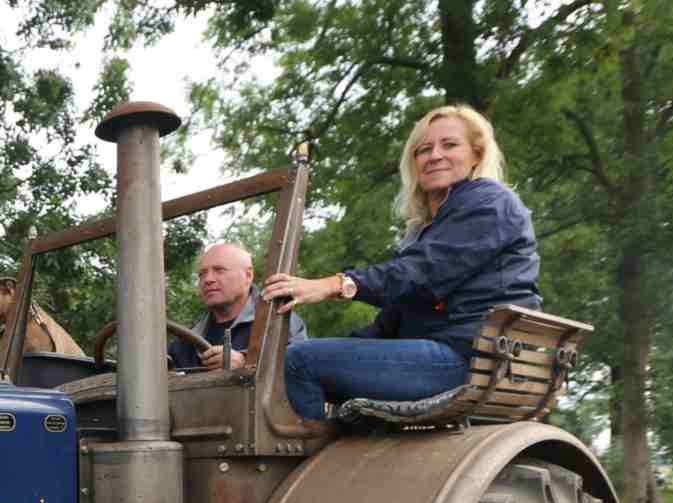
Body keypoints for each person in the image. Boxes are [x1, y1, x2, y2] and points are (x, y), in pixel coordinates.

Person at [261, 105, 541, 423]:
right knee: (298, 360)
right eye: (424, 149)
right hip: (454, 355)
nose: (434, 155)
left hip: (471, 360)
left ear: (476, 155)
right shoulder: (430, 229)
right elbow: (393, 319)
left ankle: (310, 453)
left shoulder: (490, 202)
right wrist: (316, 351)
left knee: (301, 362)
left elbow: (422, 273)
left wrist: (336, 284)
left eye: (449, 145)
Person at [172, 241, 306, 371]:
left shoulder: (279, 323)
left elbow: (299, 369)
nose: (208, 279)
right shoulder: (187, 339)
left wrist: (245, 362)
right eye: (202, 274)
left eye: (219, 270)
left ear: (248, 276)